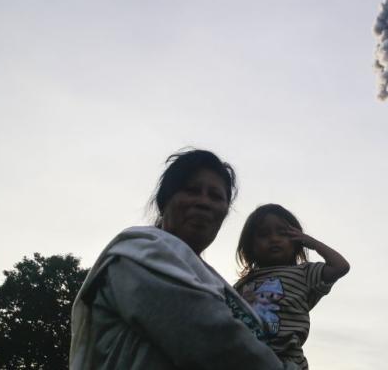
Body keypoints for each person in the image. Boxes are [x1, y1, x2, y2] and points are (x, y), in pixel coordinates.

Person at [70, 149, 296, 370]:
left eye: (215, 196)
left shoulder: (214, 282)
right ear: (164, 200)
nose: (203, 202)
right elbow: (215, 342)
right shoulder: (137, 254)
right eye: (192, 190)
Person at [234, 204, 350, 370]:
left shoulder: (304, 273)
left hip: (287, 361)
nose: (274, 239)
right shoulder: (241, 285)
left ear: (297, 241)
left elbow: (340, 266)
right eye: (264, 234)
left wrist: (312, 242)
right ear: (250, 246)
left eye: (283, 233)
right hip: (246, 359)